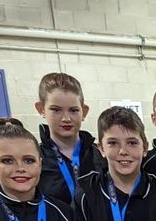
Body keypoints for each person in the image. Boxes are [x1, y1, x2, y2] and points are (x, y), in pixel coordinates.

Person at [34, 72, 105, 206]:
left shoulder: (100, 155)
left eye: (73, 110)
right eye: (56, 110)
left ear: (84, 111)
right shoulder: (35, 160)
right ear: (41, 109)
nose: (66, 118)